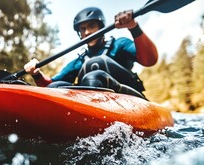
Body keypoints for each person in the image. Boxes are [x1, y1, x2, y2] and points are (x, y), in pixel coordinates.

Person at [23, 7, 158, 99]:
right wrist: (37, 74)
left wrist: (133, 27)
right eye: (83, 29)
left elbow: (150, 60)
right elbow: (50, 85)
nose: (87, 32)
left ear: (101, 27)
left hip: (130, 98)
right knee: (56, 87)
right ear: (79, 34)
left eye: (92, 26)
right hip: (94, 104)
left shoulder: (120, 44)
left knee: (95, 69)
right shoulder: (80, 61)